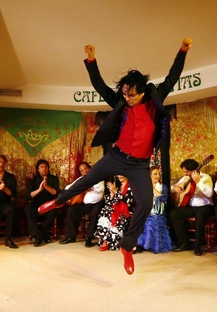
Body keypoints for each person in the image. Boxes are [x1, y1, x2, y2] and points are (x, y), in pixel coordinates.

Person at [52, 38, 193, 274]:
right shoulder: (121, 103)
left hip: (139, 166)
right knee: (87, 179)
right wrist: (91, 61)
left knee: (146, 204)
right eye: (125, 94)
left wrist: (182, 51)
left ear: (142, 92)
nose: (127, 98)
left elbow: (173, 75)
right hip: (116, 157)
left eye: (132, 94)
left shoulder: (153, 102)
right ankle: (55, 202)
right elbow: (99, 86)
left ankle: (127, 246)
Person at [170, 159, 214, 256]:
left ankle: (197, 246)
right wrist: (174, 188)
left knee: (200, 214)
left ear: (194, 170)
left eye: (187, 172)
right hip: (191, 207)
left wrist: (198, 182)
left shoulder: (206, 178)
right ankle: (184, 243)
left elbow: (210, 194)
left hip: (205, 206)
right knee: (174, 214)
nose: (185, 174)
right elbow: (172, 187)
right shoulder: (186, 178)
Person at [59, 162, 105, 247]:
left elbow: (100, 189)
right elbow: (68, 187)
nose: (85, 172)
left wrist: (90, 187)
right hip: (85, 205)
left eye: (86, 169)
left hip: (97, 204)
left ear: (90, 168)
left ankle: (89, 238)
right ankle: (70, 236)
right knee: (71, 210)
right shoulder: (81, 179)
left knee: (96, 212)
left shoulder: (98, 177)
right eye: (82, 171)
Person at [24, 159, 61, 247]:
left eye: (46, 167)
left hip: (50, 204)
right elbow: (28, 195)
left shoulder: (53, 179)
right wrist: (39, 189)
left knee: (56, 208)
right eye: (42, 167)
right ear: (38, 169)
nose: (44, 169)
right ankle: (39, 235)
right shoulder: (33, 180)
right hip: (36, 204)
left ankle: (43, 232)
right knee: (27, 208)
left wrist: (46, 186)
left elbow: (57, 193)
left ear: (48, 168)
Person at [137, 167, 173, 253]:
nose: (157, 176)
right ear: (149, 176)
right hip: (147, 212)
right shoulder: (144, 188)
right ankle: (140, 244)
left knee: (153, 220)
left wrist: (153, 188)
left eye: (158, 174)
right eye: (155, 174)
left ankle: (152, 245)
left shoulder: (163, 187)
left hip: (158, 212)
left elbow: (163, 199)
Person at [95, 175, 134, 251]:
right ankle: (105, 240)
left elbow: (129, 201)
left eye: (122, 174)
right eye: (118, 174)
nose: (120, 176)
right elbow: (110, 202)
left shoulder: (131, 185)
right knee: (105, 211)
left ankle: (111, 241)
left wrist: (116, 192)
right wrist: (112, 195)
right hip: (115, 209)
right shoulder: (117, 185)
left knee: (111, 213)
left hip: (127, 211)